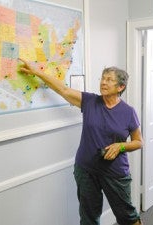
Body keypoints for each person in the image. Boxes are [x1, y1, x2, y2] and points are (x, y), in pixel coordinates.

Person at [18, 58, 143, 225]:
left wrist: (121, 146)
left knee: (127, 217)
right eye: (103, 78)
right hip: (86, 170)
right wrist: (37, 72)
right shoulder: (90, 101)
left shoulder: (128, 112)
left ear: (120, 87)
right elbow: (62, 89)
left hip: (115, 172)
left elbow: (138, 142)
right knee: (88, 218)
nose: (103, 82)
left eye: (109, 80)